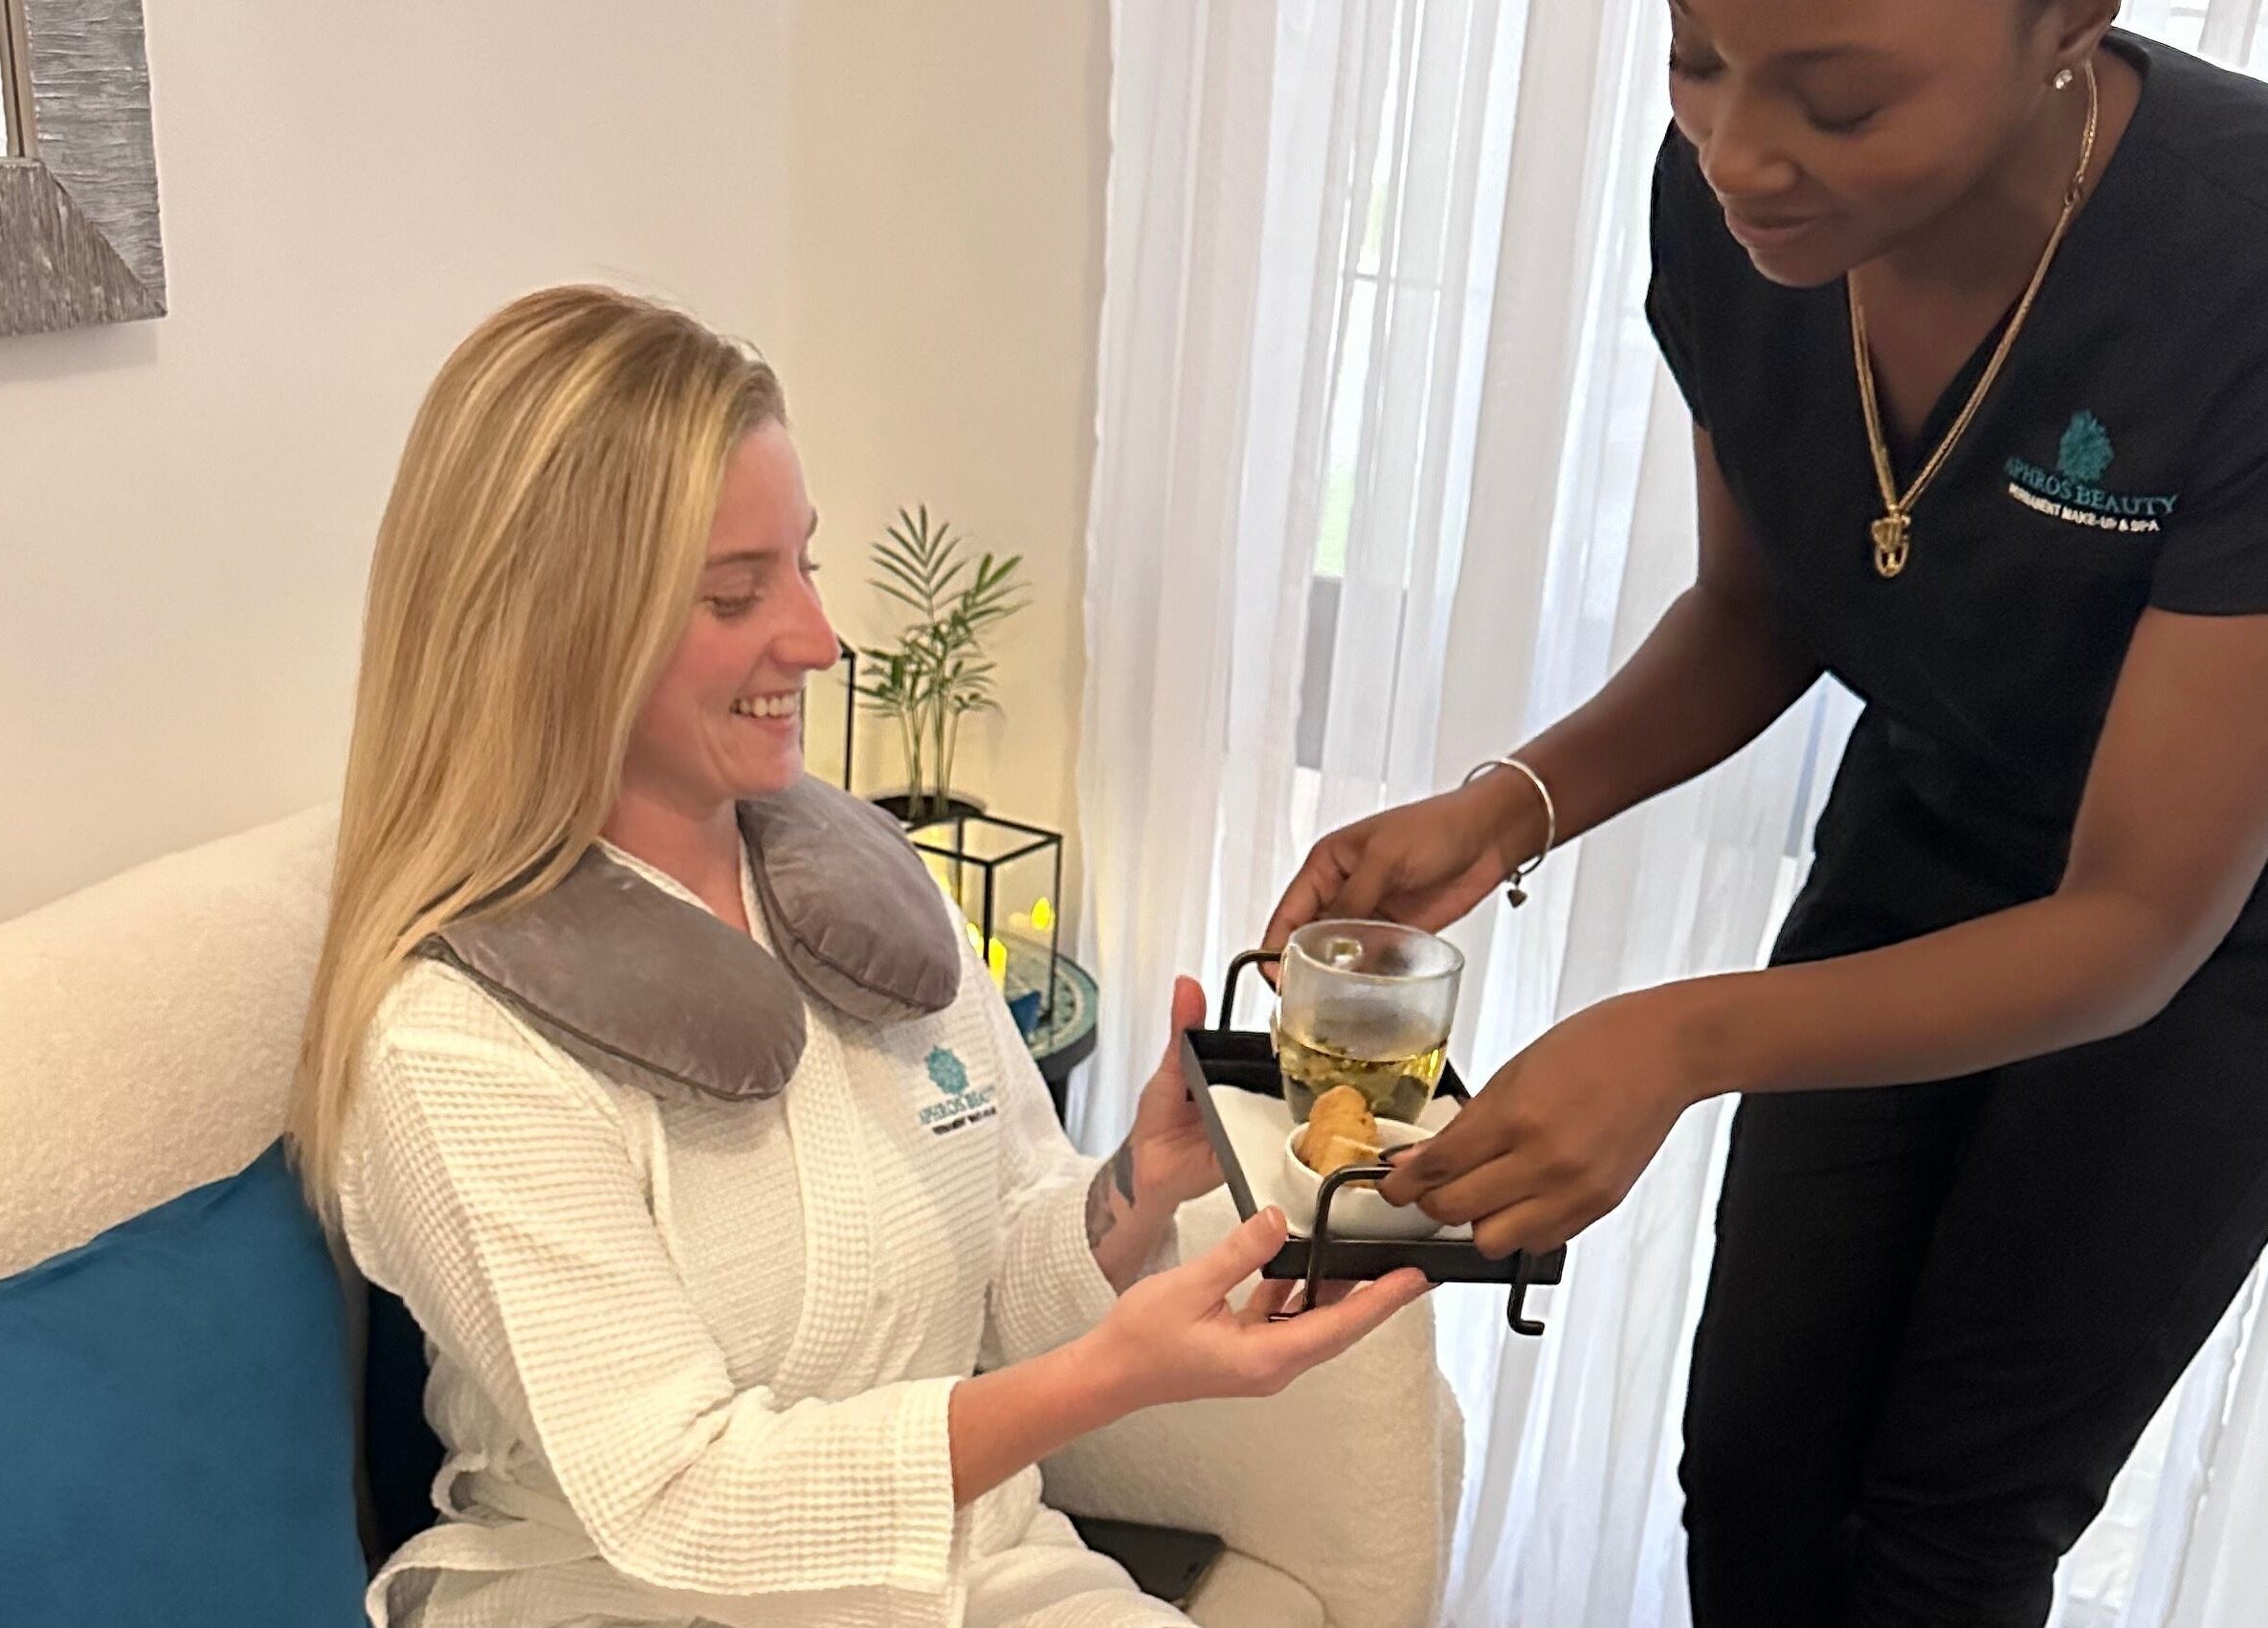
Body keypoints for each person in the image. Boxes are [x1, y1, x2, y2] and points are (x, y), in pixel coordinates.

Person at [1266, 4, 2268, 1623]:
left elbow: (2139, 921)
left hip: (2213, 930)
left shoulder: (2233, 269)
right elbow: (1760, 606)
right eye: (1696, 64)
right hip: (1928, 827)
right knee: (1752, 1459)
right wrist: (1507, 807)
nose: (1738, 156)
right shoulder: (1732, 212)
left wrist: (1674, 1039)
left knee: (1950, 1518)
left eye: (1841, 101)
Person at [292, 285, 1429, 1628]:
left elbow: (998, 1267)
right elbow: (675, 1494)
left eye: (803, 565)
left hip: (969, 1567)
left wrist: (1142, 1172)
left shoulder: (859, 897)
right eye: (735, 592)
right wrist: (1106, 1380)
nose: (818, 642)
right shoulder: (458, 1040)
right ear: (557, 632)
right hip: (636, 1599)